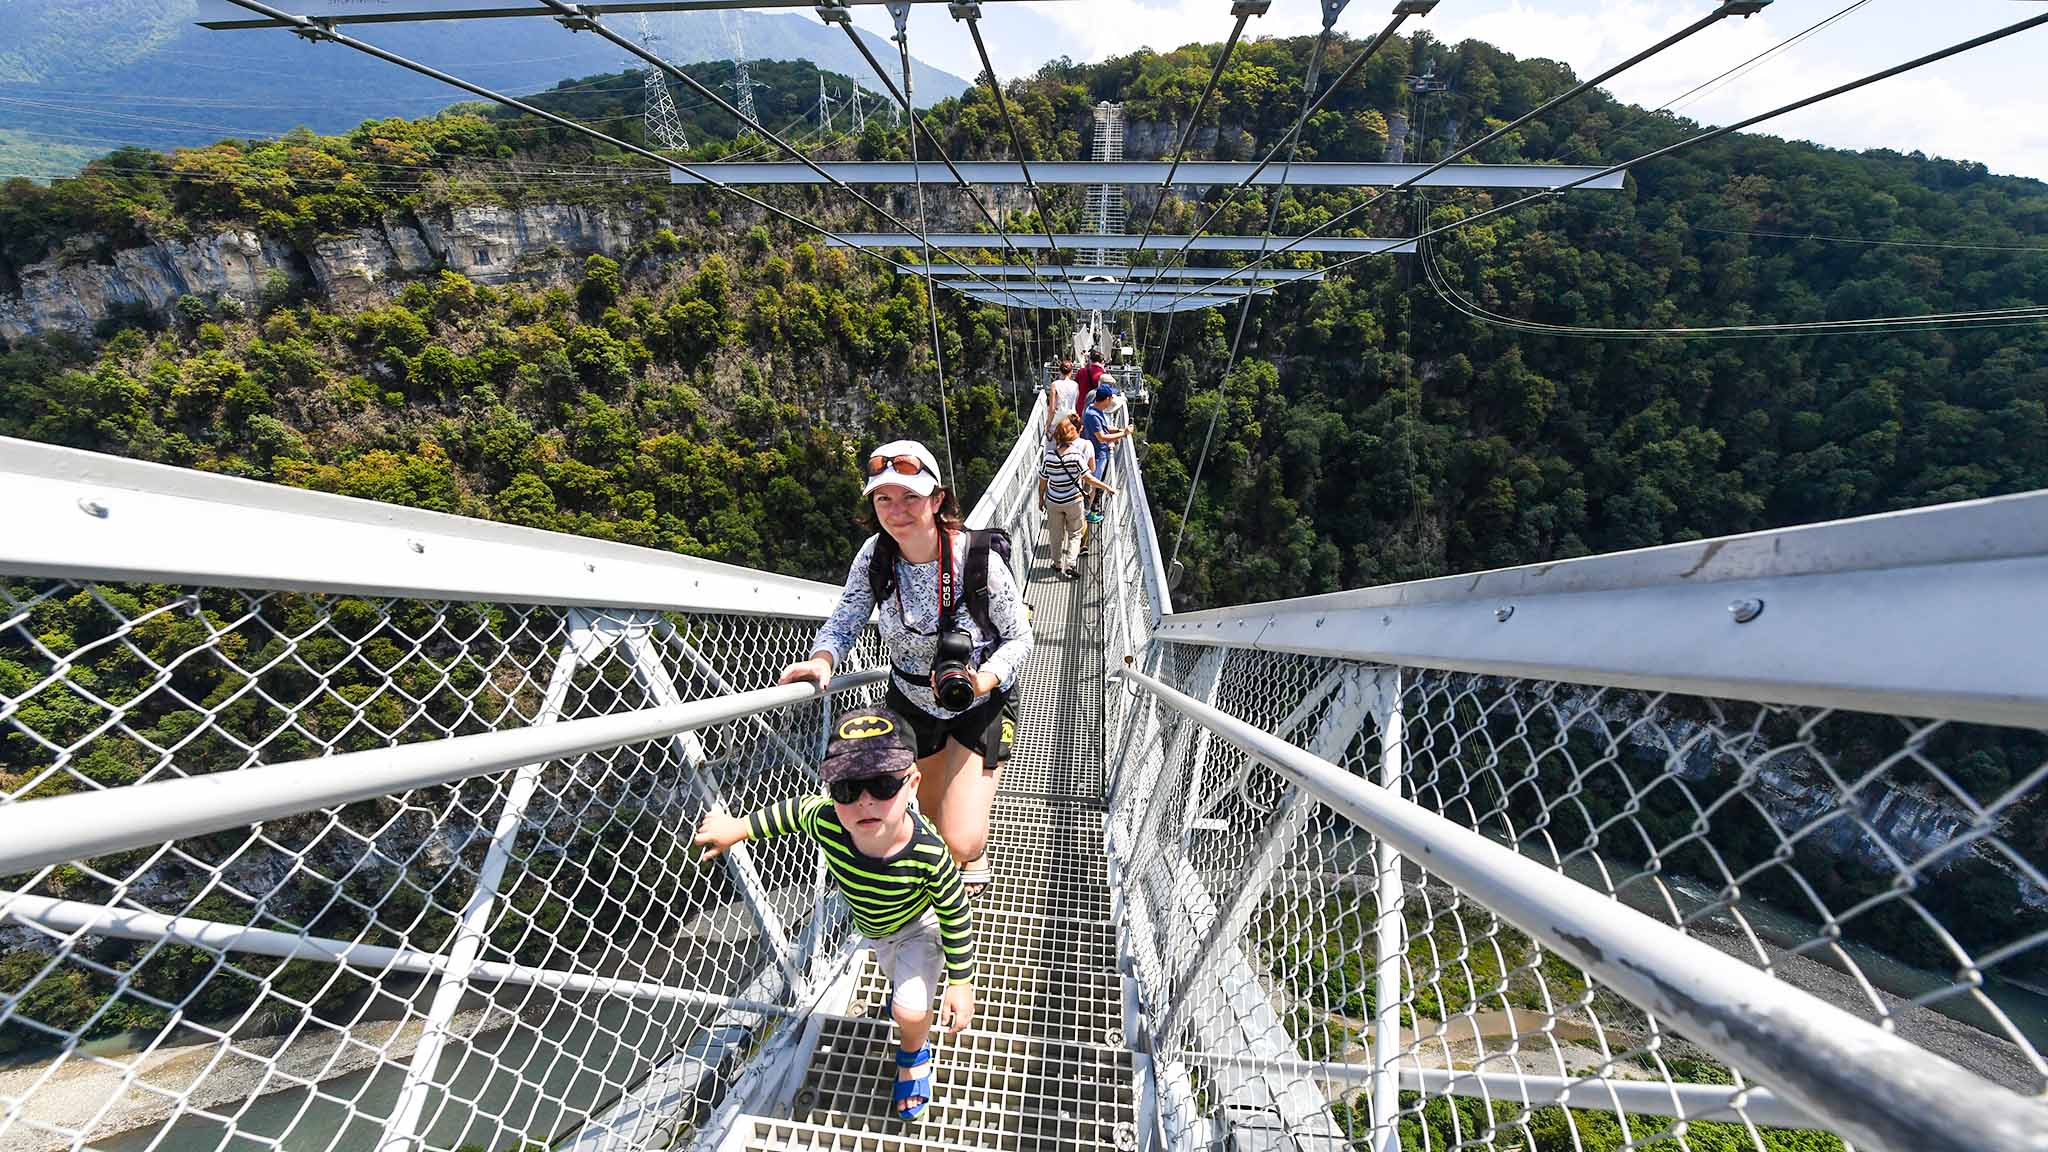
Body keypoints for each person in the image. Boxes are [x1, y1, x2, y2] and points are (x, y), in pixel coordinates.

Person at [693, 705, 974, 1121]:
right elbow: (789, 813)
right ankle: (906, 999)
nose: (864, 801)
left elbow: (954, 913)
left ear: (913, 784)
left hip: (919, 928)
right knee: (898, 980)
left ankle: (913, 1053)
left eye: (882, 784)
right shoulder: (827, 819)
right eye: (846, 788)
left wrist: (962, 982)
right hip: (875, 928)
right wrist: (739, 828)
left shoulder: (929, 853)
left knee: (910, 1010)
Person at [778, 439, 1032, 898]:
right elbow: (845, 620)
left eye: (911, 496)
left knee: (960, 838)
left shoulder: (979, 561)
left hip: (978, 699)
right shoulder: (875, 557)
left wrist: (985, 680)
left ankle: (973, 855)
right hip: (912, 700)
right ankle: (943, 878)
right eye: (883, 498)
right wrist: (822, 659)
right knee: (931, 821)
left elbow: (1019, 639)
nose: (897, 509)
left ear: (937, 500)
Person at [1040, 413, 1115, 578]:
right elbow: (1088, 477)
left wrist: (1041, 499)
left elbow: (1043, 480)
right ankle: (1070, 564)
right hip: (1073, 501)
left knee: (1055, 533)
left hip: (1053, 501)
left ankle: (1057, 563)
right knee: (1075, 533)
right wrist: (1107, 487)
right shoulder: (1076, 455)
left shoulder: (1049, 457)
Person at [1081, 384, 1129, 524]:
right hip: (1096, 455)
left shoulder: (1095, 409)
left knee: (1092, 484)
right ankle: (1086, 513)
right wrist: (1123, 434)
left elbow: (1105, 428)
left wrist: (1120, 430)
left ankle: (1085, 510)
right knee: (1091, 484)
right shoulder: (1093, 415)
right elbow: (1101, 437)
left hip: (1099, 453)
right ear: (1107, 399)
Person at [1045, 360, 1079, 435]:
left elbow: (1052, 408)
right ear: (1071, 371)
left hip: (1059, 418)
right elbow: (1075, 402)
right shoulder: (1075, 385)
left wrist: (1048, 424)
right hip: (1071, 418)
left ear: (1059, 371)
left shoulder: (1055, 385)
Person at [1074, 351, 1107, 419]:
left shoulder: (1081, 371)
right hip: (1095, 409)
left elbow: (1076, 386)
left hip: (1081, 405)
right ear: (1102, 362)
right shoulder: (1103, 374)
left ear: (1090, 360)